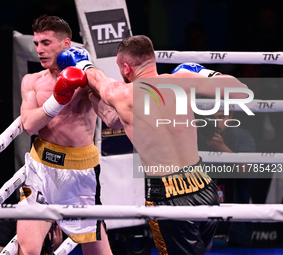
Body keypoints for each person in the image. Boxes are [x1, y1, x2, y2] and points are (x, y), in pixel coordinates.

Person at [56, 35, 251, 254]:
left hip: (168, 195)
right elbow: (240, 90)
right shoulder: (182, 81)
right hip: (204, 186)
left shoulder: (122, 93)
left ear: (125, 67)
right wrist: (205, 72)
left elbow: (98, 79)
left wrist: (82, 63)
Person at [17, 14, 120, 255]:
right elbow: (29, 125)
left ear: (66, 45)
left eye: (46, 43)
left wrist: (90, 72)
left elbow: (113, 120)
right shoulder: (32, 81)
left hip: (80, 174)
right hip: (39, 167)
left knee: (98, 252)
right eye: (36, 43)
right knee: (27, 250)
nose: (39, 50)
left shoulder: (86, 82)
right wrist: (57, 99)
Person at [197, 110, 256, 247]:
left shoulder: (241, 137)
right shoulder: (194, 136)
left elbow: (244, 169)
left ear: (231, 116)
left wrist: (222, 147)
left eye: (221, 117)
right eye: (211, 118)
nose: (217, 123)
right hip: (199, 227)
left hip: (236, 229)